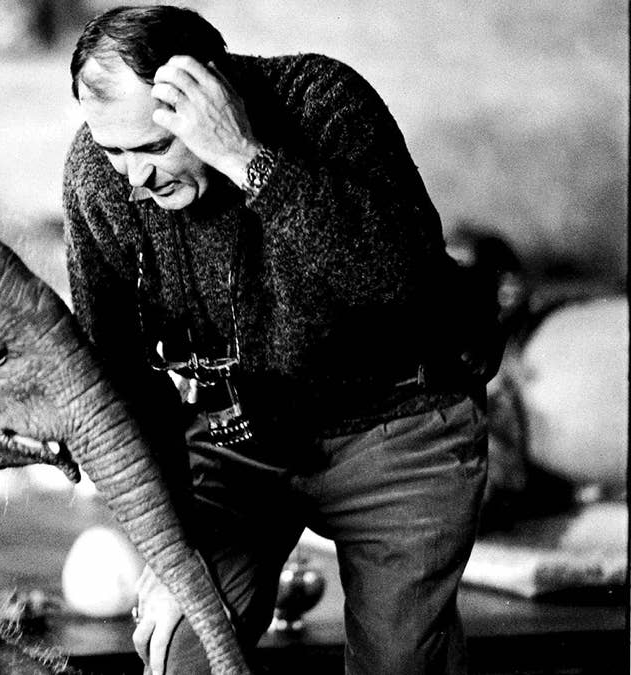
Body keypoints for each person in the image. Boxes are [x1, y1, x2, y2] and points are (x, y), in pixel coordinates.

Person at [62, 5, 493, 674]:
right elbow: (118, 372)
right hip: (240, 441)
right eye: (114, 150)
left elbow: (399, 280)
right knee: (182, 648)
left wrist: (244, 157)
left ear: (212, 95)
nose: (135, 179)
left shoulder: (324, 101)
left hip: (395, 423)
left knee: (402, 660)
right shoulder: (100, 174)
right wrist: (168, 545)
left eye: (153, 147)